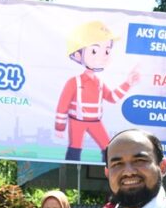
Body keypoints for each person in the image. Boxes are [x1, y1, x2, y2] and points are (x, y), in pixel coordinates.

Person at [55, 21, 140, 160]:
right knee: (75, 148)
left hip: (96, 121)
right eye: (94, 50)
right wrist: (60, 127)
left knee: (108, 148)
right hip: (77, 121)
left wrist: (128, 83)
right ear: (77, 55)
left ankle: (108, 174)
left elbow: (112, 97)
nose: (103, 56)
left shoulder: (99, 82)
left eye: (107, 51)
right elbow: (62, 106)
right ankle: (70, 175)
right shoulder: (74, 82)